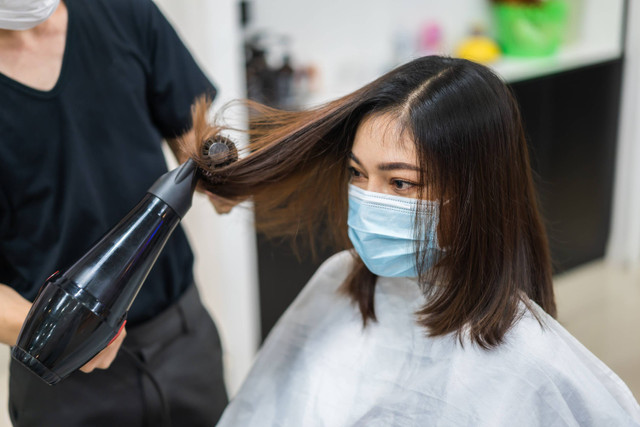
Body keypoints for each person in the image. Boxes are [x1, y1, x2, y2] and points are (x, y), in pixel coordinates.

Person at [183, 56, 640, 425]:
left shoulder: (535, 367)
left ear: (476, 194)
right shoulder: (338, 280)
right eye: (357, 174)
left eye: (400, 183)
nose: (367, 201)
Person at [0, 0, 228, 425]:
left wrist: (232, 172)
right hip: (60, 373)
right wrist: (52, 335)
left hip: (182, 338)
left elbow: (199, 145)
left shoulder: (122, 12)